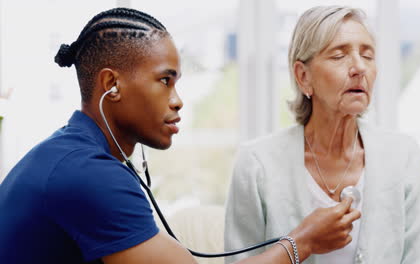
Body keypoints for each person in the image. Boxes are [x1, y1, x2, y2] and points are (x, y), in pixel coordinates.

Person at [0, 7, 361, 264]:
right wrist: (304, 241)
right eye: (164, 80)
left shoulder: (72, 154)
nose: (177, 101)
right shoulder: (88, 175)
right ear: (112, 85)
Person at [224, 6, 420, 264]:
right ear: (303, 77)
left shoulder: (405, 158)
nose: (359, 67)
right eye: (339, 56)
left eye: (367, 56)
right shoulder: (256, 164)